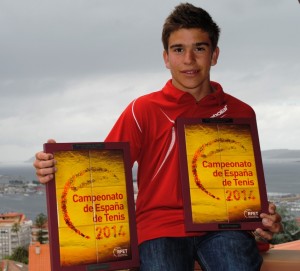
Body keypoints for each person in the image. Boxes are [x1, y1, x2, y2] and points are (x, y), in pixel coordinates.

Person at [34, 3, 283, 271]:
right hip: (158, 228)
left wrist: (262, 220)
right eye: (178, 50)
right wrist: (54, 167)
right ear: (166, 58)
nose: (189, 59)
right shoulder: (143, 109)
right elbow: (101, 172)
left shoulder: (241, 112)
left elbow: (243, 187)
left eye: (199, 48)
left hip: (223, 229)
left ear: (214, 55)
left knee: (236, 264)